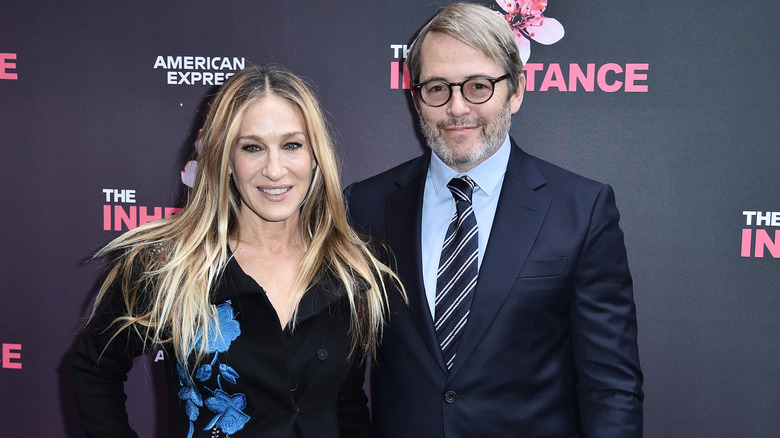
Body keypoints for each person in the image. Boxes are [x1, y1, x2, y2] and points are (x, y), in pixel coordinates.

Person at [345, 3, 643, 437]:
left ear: (516, 90)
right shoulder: (366, 206)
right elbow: (341, 382)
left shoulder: (582, 209)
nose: (457, 107)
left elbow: (611, 386)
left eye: (479, 86)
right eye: (437, 88)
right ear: (416, 97)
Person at [71, 65, 401, 438]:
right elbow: (94, 369)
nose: (275, 170)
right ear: (226, 160)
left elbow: (346, 403)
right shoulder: (169, 264)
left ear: (315, 156)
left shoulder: (351, 269)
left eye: (292, 145)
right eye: (252, 148)